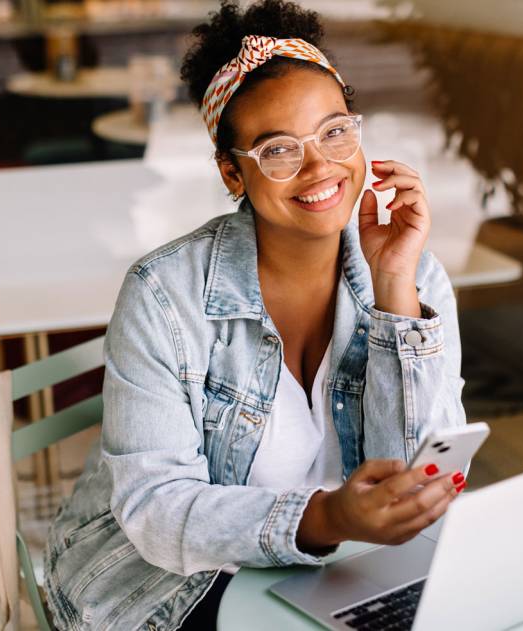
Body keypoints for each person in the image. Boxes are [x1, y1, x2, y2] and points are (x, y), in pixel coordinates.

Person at [43, 1, 467, 628]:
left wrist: (395, 288)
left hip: (332, 572)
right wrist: (328, 517)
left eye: (334, 131)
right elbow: (157, 513)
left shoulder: (414, 274)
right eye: (277, 150)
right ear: (231, 172)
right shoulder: (163, 295)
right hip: (163, 587)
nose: (320, 165)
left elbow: (417, 483)